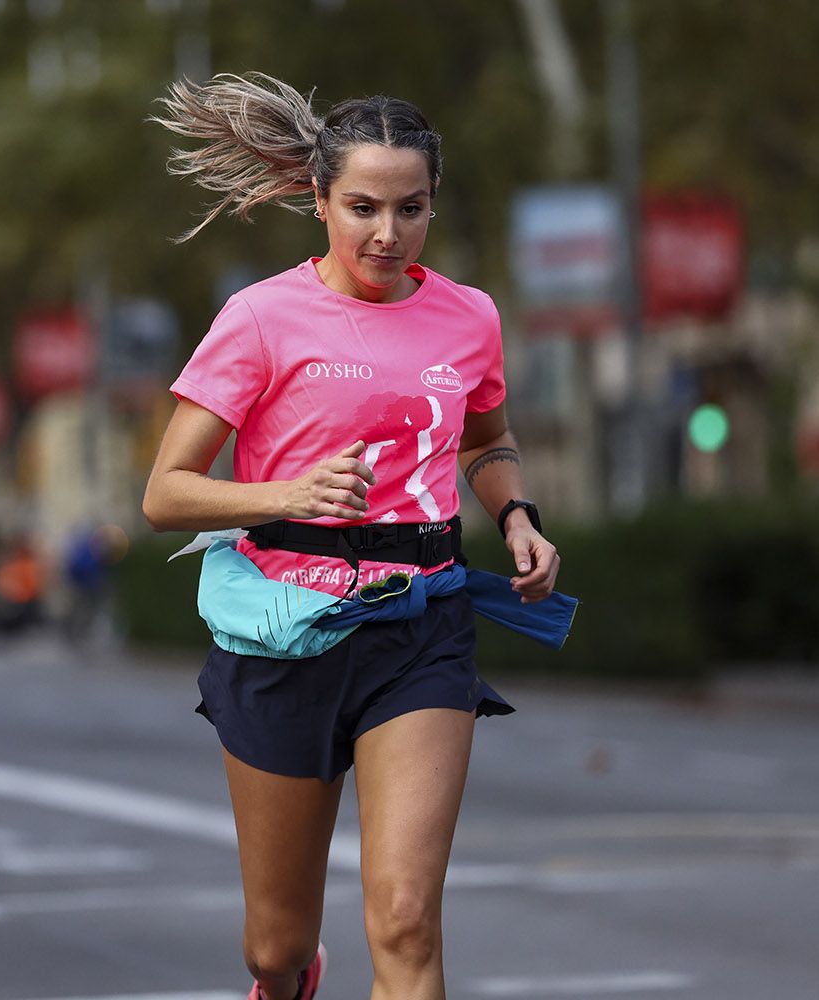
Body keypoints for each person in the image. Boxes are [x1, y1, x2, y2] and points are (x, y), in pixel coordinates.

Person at [144, 75, 561, 1000]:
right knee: (275, 946)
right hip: (285, 633)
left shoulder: (469, 316)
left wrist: (518, 515)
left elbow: (488, 442)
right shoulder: (259, 318)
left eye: (410, 209)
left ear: (432, 206)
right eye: (363, 208)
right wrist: (291, 489)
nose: (387, 234)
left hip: (422, 630)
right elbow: (165, 496)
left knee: (406, 918)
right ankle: (291, 979)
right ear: (319, 201)